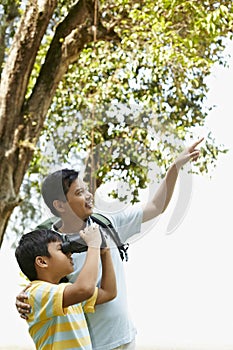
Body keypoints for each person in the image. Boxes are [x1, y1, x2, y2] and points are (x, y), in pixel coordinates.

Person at [16, 138, 204, 350]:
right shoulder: (52, 244)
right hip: (90, 344)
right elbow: (40, 282)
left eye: (86, 189)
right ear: (59, 205)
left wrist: (175, 167)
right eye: (79, 193)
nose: (88, 196)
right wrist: (23, 299)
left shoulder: (106, 222)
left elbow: (156, 206)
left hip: (124, 337)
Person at [15, 224, 117, 350]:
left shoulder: (67, 294)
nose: (69, 253)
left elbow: (108, 293)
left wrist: (105, 252)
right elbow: (85, 289)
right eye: (61, 249)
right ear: (42, 262)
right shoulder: (36, 292)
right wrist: (93, 245)